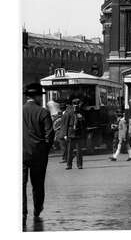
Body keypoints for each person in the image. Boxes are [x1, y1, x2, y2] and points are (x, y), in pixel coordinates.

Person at [23, 83, 55, 225]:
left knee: (20, 184)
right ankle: (37, 209)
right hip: (38, 154)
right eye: (39, 96)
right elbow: (50, 134)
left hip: (20, 154)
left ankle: (22, 211)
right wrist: (44, 150)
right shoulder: (43, 112)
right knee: (38, 184)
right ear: (35, 96)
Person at [61, 97, 86, 169]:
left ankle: (79, 165)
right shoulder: (69, 112)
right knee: (69, 150)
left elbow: (84, 123)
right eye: (75, 104)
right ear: (73, 105)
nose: (76, 106)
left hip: (78, 133)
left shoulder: (81, 112)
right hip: (71, 132)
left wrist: (81, 118)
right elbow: (66, 124)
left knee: (79, 151)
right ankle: (69, 165)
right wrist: (65, 134)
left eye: (77, 104)